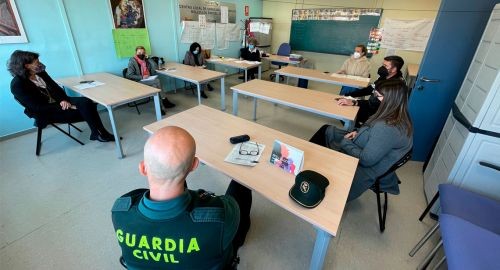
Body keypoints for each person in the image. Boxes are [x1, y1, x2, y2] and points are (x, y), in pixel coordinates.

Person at [111, 126, 252, 269]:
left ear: (143, 168)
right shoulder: (218, 216)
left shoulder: (119, 210)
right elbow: (231, 207)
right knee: (240, 189)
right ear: (194, 165)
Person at [310, 80, 413, 202]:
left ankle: (311, 170)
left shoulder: (388, 127)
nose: (375, 98)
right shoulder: (396, 114)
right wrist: (358, 132)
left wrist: (345, 142)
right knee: (326, 130)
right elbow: (374, 132)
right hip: (364, 143)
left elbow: (366, 160)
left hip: (364, 166)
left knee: (324, 145)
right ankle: (311, 164)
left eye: (378, 96)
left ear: (390, 100)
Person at [9, 50, 115, 142]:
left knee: (87, 102)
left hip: (58, 101)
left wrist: (63, 100)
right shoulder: (17, 85)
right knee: (88, 109)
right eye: (37, 62)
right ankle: (100, 134)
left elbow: (55, 88)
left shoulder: (40, 73)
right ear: (26, 66)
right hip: (46, 111)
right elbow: (37, 107)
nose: (40, 64)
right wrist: (64, 105)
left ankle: (97, 133)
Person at [337, 55, 405, 127]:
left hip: (377, 113)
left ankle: (359, 130)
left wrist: (355, 102)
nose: (382, 67)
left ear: (394, 69)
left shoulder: (395, 85)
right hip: (371, 106)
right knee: (344, 108)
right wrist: (349, 95)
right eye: (382, 64)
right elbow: (370, 89)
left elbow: (375, 104)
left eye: (385, 66)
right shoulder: (384, 77)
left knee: (346, 113)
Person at [126, 45, 176, 110]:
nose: (141, 54)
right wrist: (142, 77)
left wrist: (148, 58)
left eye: (143, 53)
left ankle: (160, 108)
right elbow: (129, 75)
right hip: (139, 81)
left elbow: (155, 67)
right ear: (136, 53)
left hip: (149, 79)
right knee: (157, 81)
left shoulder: (146, 60)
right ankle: (164, 101)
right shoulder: (132, 61)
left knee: (155, 86)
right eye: (139, 53)